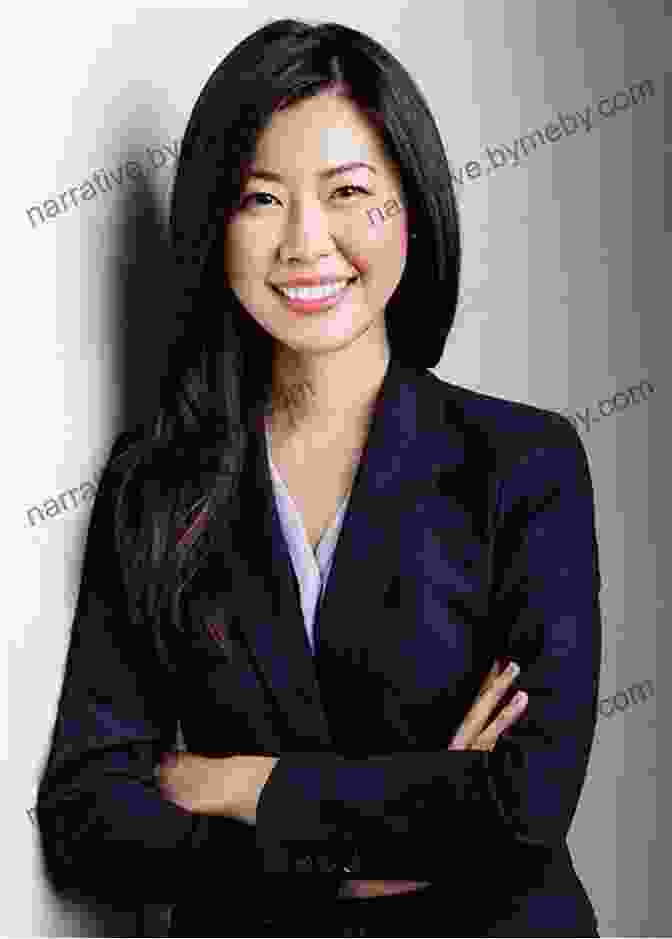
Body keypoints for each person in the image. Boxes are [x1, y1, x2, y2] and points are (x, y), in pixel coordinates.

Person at [36, 18, 602, 937]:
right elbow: (88, 814)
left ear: (410, 208)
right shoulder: (156, 483)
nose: (305, 242)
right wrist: (391, 832)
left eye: (347, 192)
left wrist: (241, 782)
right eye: (260, 199)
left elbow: (519, 810)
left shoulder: (524, 463)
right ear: (214, 225)